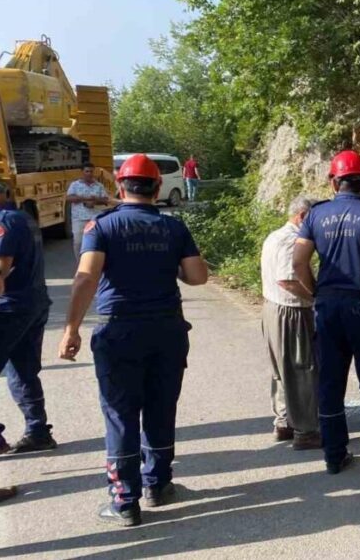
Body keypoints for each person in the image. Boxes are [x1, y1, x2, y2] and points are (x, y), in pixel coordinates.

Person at [57, 154, 209, 527]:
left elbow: (86, 277)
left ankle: (125, 500)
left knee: (120, 414)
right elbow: (197, 276)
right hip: (167, 330)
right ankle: (157, 484)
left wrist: (71, 328)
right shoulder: (173, 228)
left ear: (120, 187)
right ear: (157, 188)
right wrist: (167, 263)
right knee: (161, 407)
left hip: (119, 331)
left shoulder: (101, 226)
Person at [292, 150, 360, 476]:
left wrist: (316, 291)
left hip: (328, 308)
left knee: (330, 383)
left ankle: (334, 455)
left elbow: (298, 262)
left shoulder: (315, 215)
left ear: (334, 181)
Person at [0, 181, 55, 476]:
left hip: (10, 307)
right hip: (33, 302)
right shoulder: (23, 218)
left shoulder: (4, 221)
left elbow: (0, 268)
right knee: (21, 370)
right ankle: (38, 431)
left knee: (21, 370)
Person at [260, 196, 320, 450]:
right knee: (301, 369)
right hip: (291, 311)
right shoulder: (292, 240)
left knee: (281, 369)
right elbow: (288, 280)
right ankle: (305, 431)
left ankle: (284, 421)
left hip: (272, 307)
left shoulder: (275, 236)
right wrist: (316, 297)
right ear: (303, 216)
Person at [66, 163, 111, 258]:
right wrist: (84, 199)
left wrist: (95, 202)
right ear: (82, 172)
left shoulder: (99, 185)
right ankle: (80, 263)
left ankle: (94, 262)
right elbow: (69, 198)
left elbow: (105, 200)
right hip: (79, 219)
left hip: (95, 219)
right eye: (87, 171)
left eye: (91, 171)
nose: (89, 173)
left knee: (96, 243)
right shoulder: (75, 185)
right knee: (78, 243)